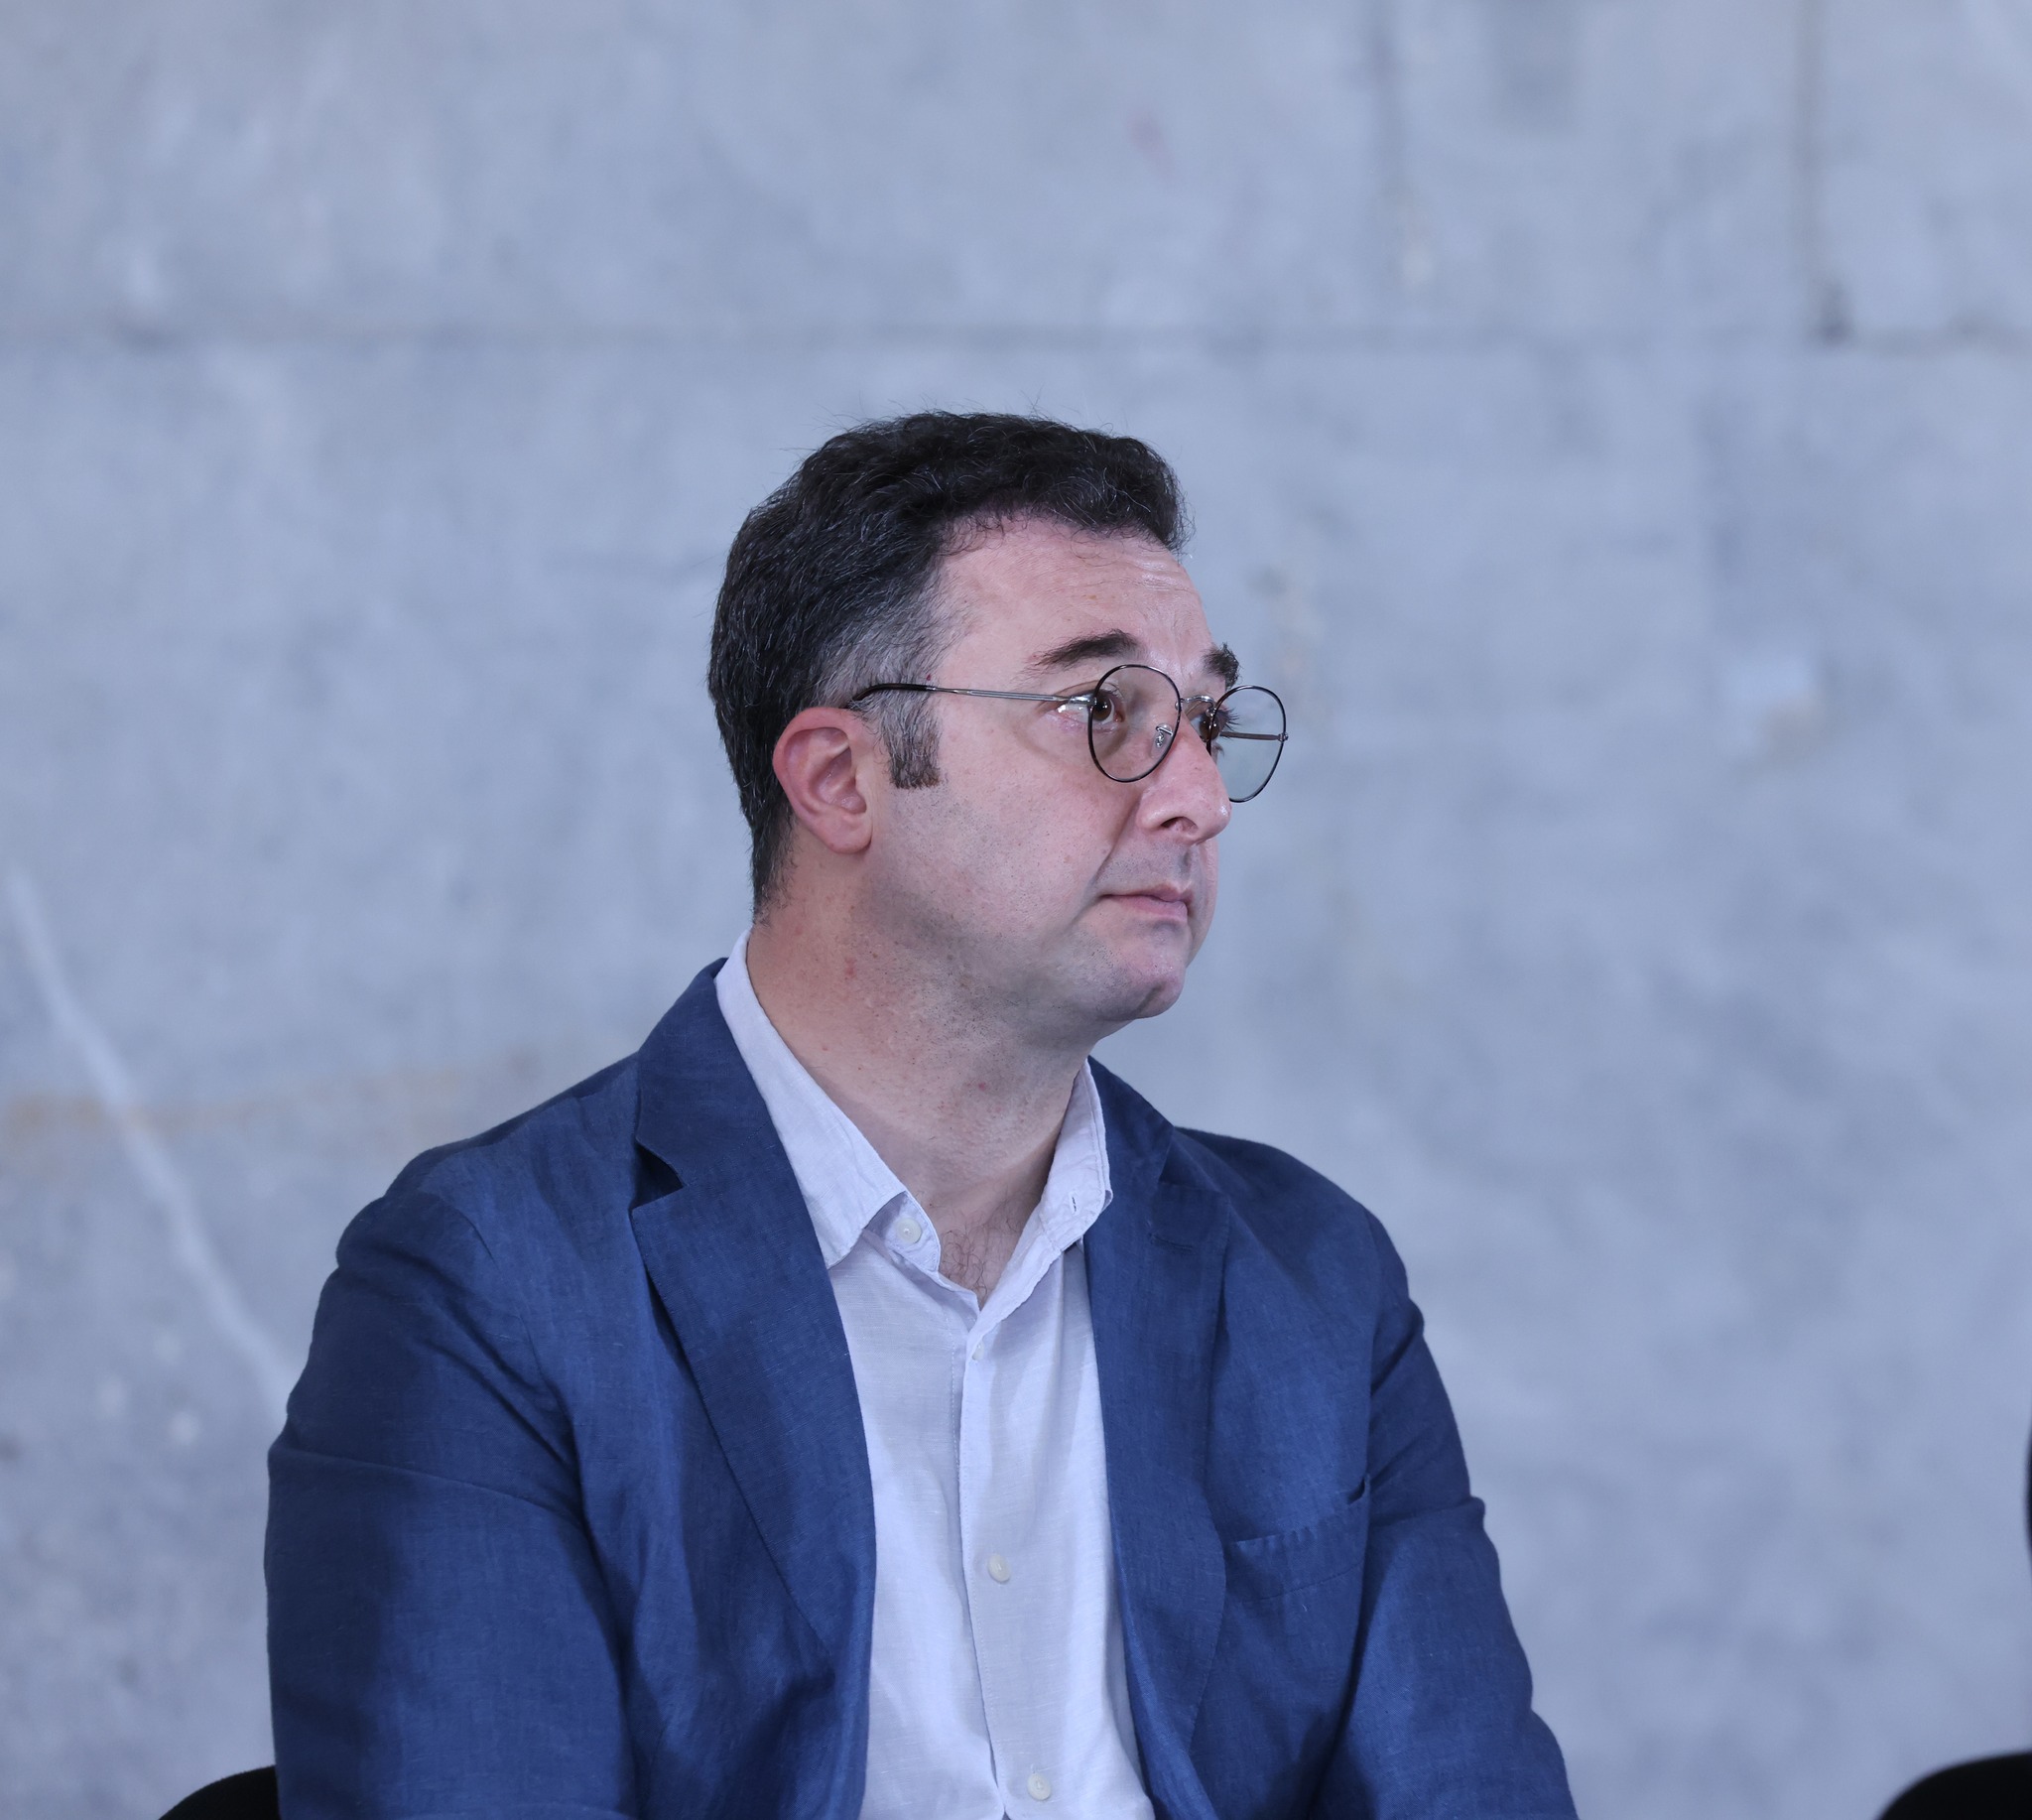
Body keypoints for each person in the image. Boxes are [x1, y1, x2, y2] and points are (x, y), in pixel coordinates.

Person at [267, 412, 1577, 1819]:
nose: (1199, 799)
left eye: (1202, 722)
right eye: (1105, 713)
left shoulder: (1310, 1276)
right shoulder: (489, 1286)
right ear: (842, 779)